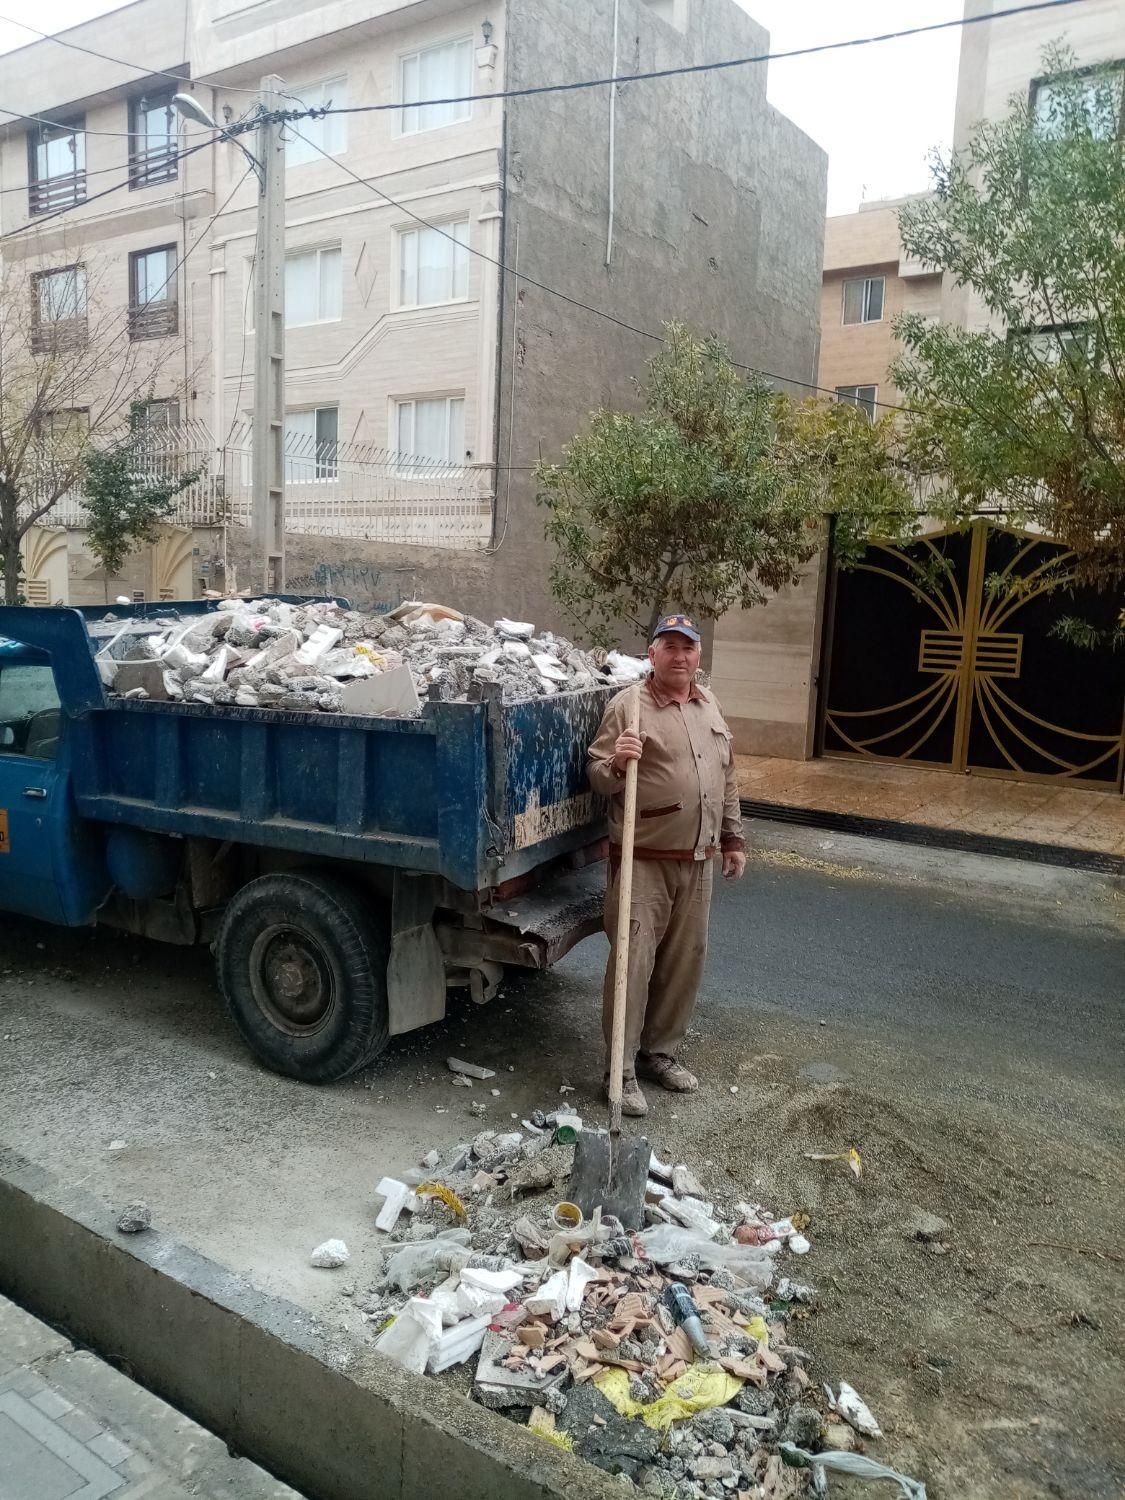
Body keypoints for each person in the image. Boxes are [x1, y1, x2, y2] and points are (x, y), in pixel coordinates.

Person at [586, 613, 747, 1116]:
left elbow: (727, 775)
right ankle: (620, 1069)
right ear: (651, 655)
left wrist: (733, 838)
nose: (680, 656)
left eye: (688, 648)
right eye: (669, 647)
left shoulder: (709, 703)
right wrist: (615, 762)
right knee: (633, 963)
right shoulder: (629, 706)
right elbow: (595, 775)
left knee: (684, 963)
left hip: (697, 859)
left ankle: (659, 1053)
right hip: (644, 860)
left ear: (699, 656)